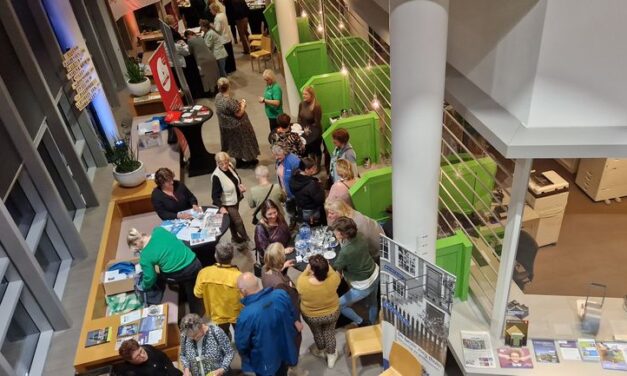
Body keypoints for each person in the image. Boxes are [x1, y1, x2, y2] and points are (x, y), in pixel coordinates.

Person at [127, 227, 204, 314]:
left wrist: (144, 286)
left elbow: (150, 278)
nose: (139, 252)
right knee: (194, 287)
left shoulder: (145, 257)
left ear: (136, 244)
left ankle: (197, 312)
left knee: (191, 293)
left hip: (183, 272)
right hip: (194, 260)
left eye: (137, 250)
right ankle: (193, 302)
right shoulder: (159, 230)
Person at [235, 272, 300, 376]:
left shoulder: (246, 315)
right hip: (285, 349)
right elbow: (292, 313)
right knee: (283, 371)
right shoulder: (280, 295)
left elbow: (242, 344)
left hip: (265, 361)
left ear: (243, 291)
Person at [261, 243, 302, 373]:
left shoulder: (264, 268)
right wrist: (296, 321)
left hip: (274, 310)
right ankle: (292, 365)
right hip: (288, 317)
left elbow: (274, 274)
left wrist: (282, 268)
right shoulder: (279, 284)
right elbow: (286, 307)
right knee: (294, 341)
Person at [331, 217, 379, 327]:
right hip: (375, 273)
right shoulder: (360, 236)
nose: (335, 234)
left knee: (339, 305)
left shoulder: (346, 252)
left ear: (343, 234)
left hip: (363, 285)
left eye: (336, 232)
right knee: (373, 302)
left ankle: (361, 322)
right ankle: (372, 323)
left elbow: (337, 265)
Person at [296, 255, 341, 368]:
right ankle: (331, 356)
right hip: (331, 313)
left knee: (317, 333)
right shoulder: (334, 278)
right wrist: (325, 265)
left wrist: (307, 270)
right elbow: (330, 270)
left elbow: (300, 283)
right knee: (329, 333)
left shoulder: (302, 282)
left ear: (312, 270)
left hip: (311, 316)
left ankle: (321, 351)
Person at [193, 243, 242, 339]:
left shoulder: (204, 273)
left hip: (217, 313)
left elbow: (197, 293)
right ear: (232, 257)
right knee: (240, 333)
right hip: (236, 313)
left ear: (215, 255)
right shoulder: (239, 276)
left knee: (223, 332)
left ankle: (226, 345)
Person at [215, 77, 260, 167]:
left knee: (233, 144)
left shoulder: (218, 97)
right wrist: (243, 105)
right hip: (237, 126)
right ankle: (249, 160)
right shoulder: (228, 101)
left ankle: (238, 161)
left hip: (226, 126)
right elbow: (239, 114)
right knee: (244, 143)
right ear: (228, 86)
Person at [211, 152, 250, 243]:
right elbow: (214, 195)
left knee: (232, 221)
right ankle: (246, 239)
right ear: (217, 163)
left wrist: (239, 185)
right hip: (227, 203)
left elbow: (236, 178)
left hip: (236, 199)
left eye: (226, 162)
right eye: (222, 164)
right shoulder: (216, 176)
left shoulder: (230, 166)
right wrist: (221, 207)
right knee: (238, 221)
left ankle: (235, 237)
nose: (225, 165)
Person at [165, 15, 205, 99]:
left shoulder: (166, 42)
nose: (174, 19)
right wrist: (182, 43)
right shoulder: (175, 44)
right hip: (181, 63)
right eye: (172, 18)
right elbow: (186, 53)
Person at [114, 338, 182, 375]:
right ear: (130, 361)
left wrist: (172, 370)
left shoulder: (147, 348)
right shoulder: (131, 373)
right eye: (137, 356)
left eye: (141, 351)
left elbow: (164, 358)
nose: (143, 355)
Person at [290, 157, 326, 226]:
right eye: (313, 169)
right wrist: (320, 186)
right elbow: (320, 199)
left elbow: (292, 192)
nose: (314, 170)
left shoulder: (293, 179)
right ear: (306, 170)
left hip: (301, 210)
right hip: (313, 212)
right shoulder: (312, 184)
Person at [184, 29, 219, 96]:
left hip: (202, 61)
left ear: (187, 36)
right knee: (214, 74)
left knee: (206, 77)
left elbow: (190, 52)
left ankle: (212, 92)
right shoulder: (200, 38)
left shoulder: (189, 41)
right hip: (211, 57)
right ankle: (218, 88)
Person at [298, 86, 323, 170]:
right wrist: (299, 127)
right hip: (305, 132)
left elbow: (317, 122)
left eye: (306, 94)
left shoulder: (316, 106)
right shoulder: (301, 104)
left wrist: (308, 129)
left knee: (316, 150)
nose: (303, 96)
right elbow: (299, 117)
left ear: (311, 95)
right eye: (303, 94)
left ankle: (318, 166)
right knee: (309, 149)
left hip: (315, 132)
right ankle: (312, 165)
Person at [209, 2, 236, 74]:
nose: (210, 11)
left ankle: (228, 70)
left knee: (226, 56)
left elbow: (218, 30)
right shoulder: (223, 14)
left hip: (223, 39)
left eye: (210, 10)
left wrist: (211, 26)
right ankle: (233, 68)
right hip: (228, 37)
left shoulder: (217, 18)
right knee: (230, 55)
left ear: (214, 9)